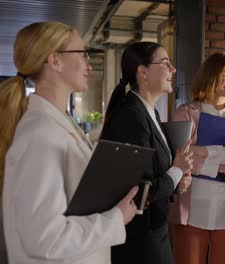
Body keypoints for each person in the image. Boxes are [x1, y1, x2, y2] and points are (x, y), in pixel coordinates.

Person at [0, 21, 138, 264]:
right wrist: (115, 219)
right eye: (82, 53)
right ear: (55, 61)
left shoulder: (59, 125)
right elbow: (45, 238)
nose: (89, 64)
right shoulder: (39, 135)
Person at [100, 41, 193, 264]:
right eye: (165, 63)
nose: (173, 69)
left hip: (153, 233)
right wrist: (177, 171)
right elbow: (141, 190)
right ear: (142, 71)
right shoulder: (131, 117)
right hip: (140, 241)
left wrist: (177, 180)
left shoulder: (148, 112)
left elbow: (155, 175)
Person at [169, 52, 225, 264]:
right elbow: (181, 156)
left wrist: (204, 151)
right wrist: (222, 168)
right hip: (191, 209)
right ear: (209, 75)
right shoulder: (186, 113)